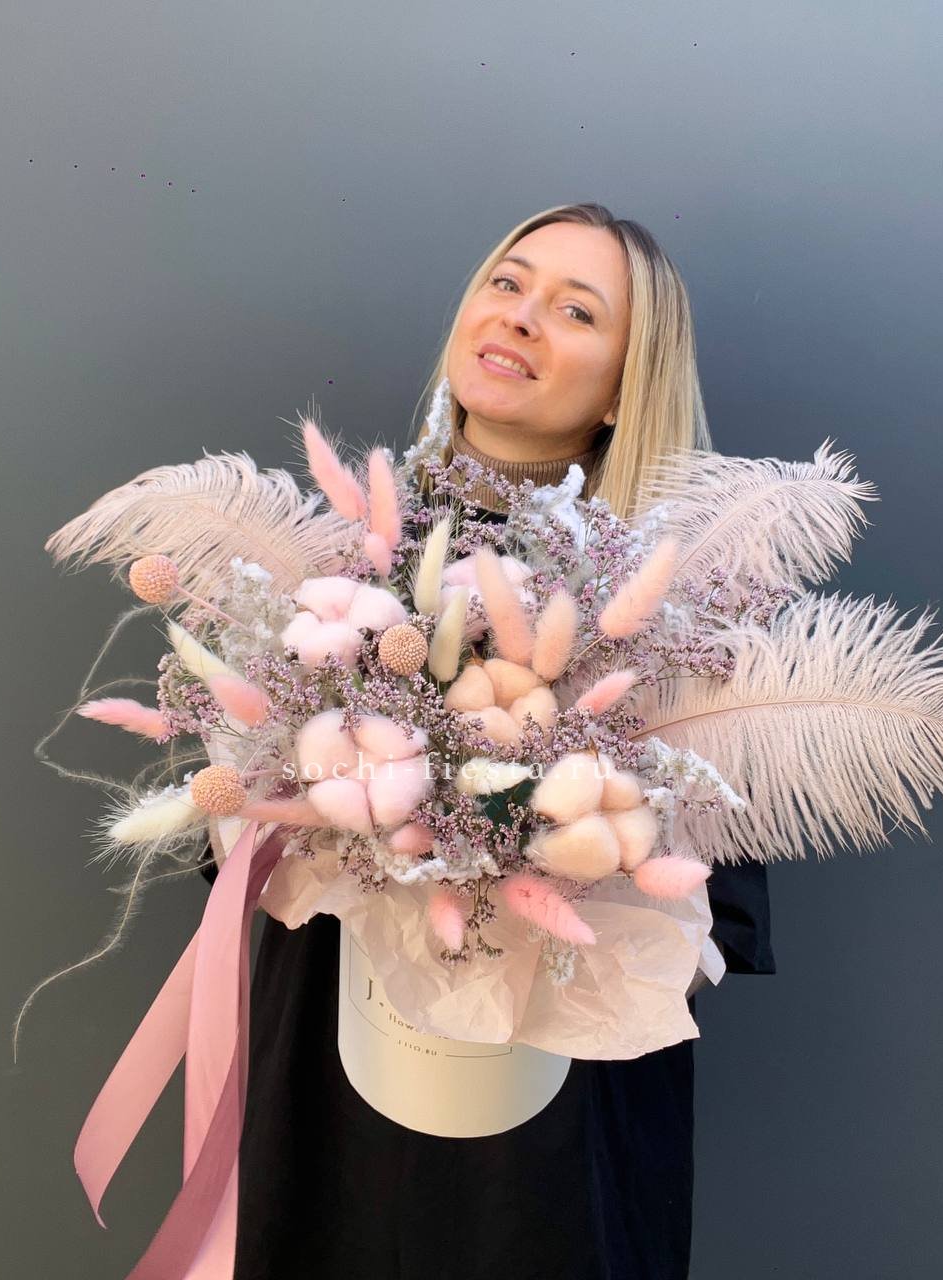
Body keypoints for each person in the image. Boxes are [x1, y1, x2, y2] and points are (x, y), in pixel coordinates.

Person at [200, 203, 776, 1279]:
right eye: (507, 283)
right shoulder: (323, 559)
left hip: (547, 1132)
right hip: (334, 1080)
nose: (520, 316)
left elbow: (724, 913)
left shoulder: (674, 610)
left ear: (624, 387)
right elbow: (227, 842)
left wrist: (528, 862)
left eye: (575, 310)